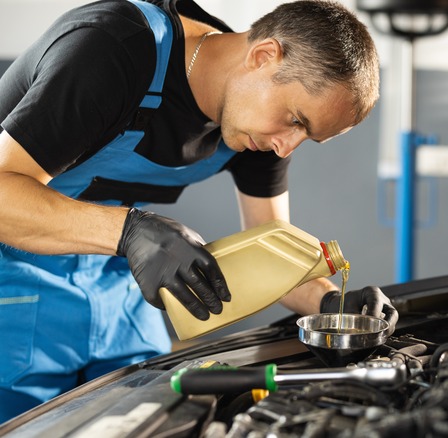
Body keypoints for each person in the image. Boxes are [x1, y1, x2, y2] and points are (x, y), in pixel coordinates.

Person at [0, 0, 398, 421]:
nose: (286, 147)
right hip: (13, 291)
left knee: (157, 421)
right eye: (296, 120)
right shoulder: (114, 49)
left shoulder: (259, 125)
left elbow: (271, 250)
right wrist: (130, 232)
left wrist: (333, 306)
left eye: (307, 136)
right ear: (263, 57)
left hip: (116, 290)